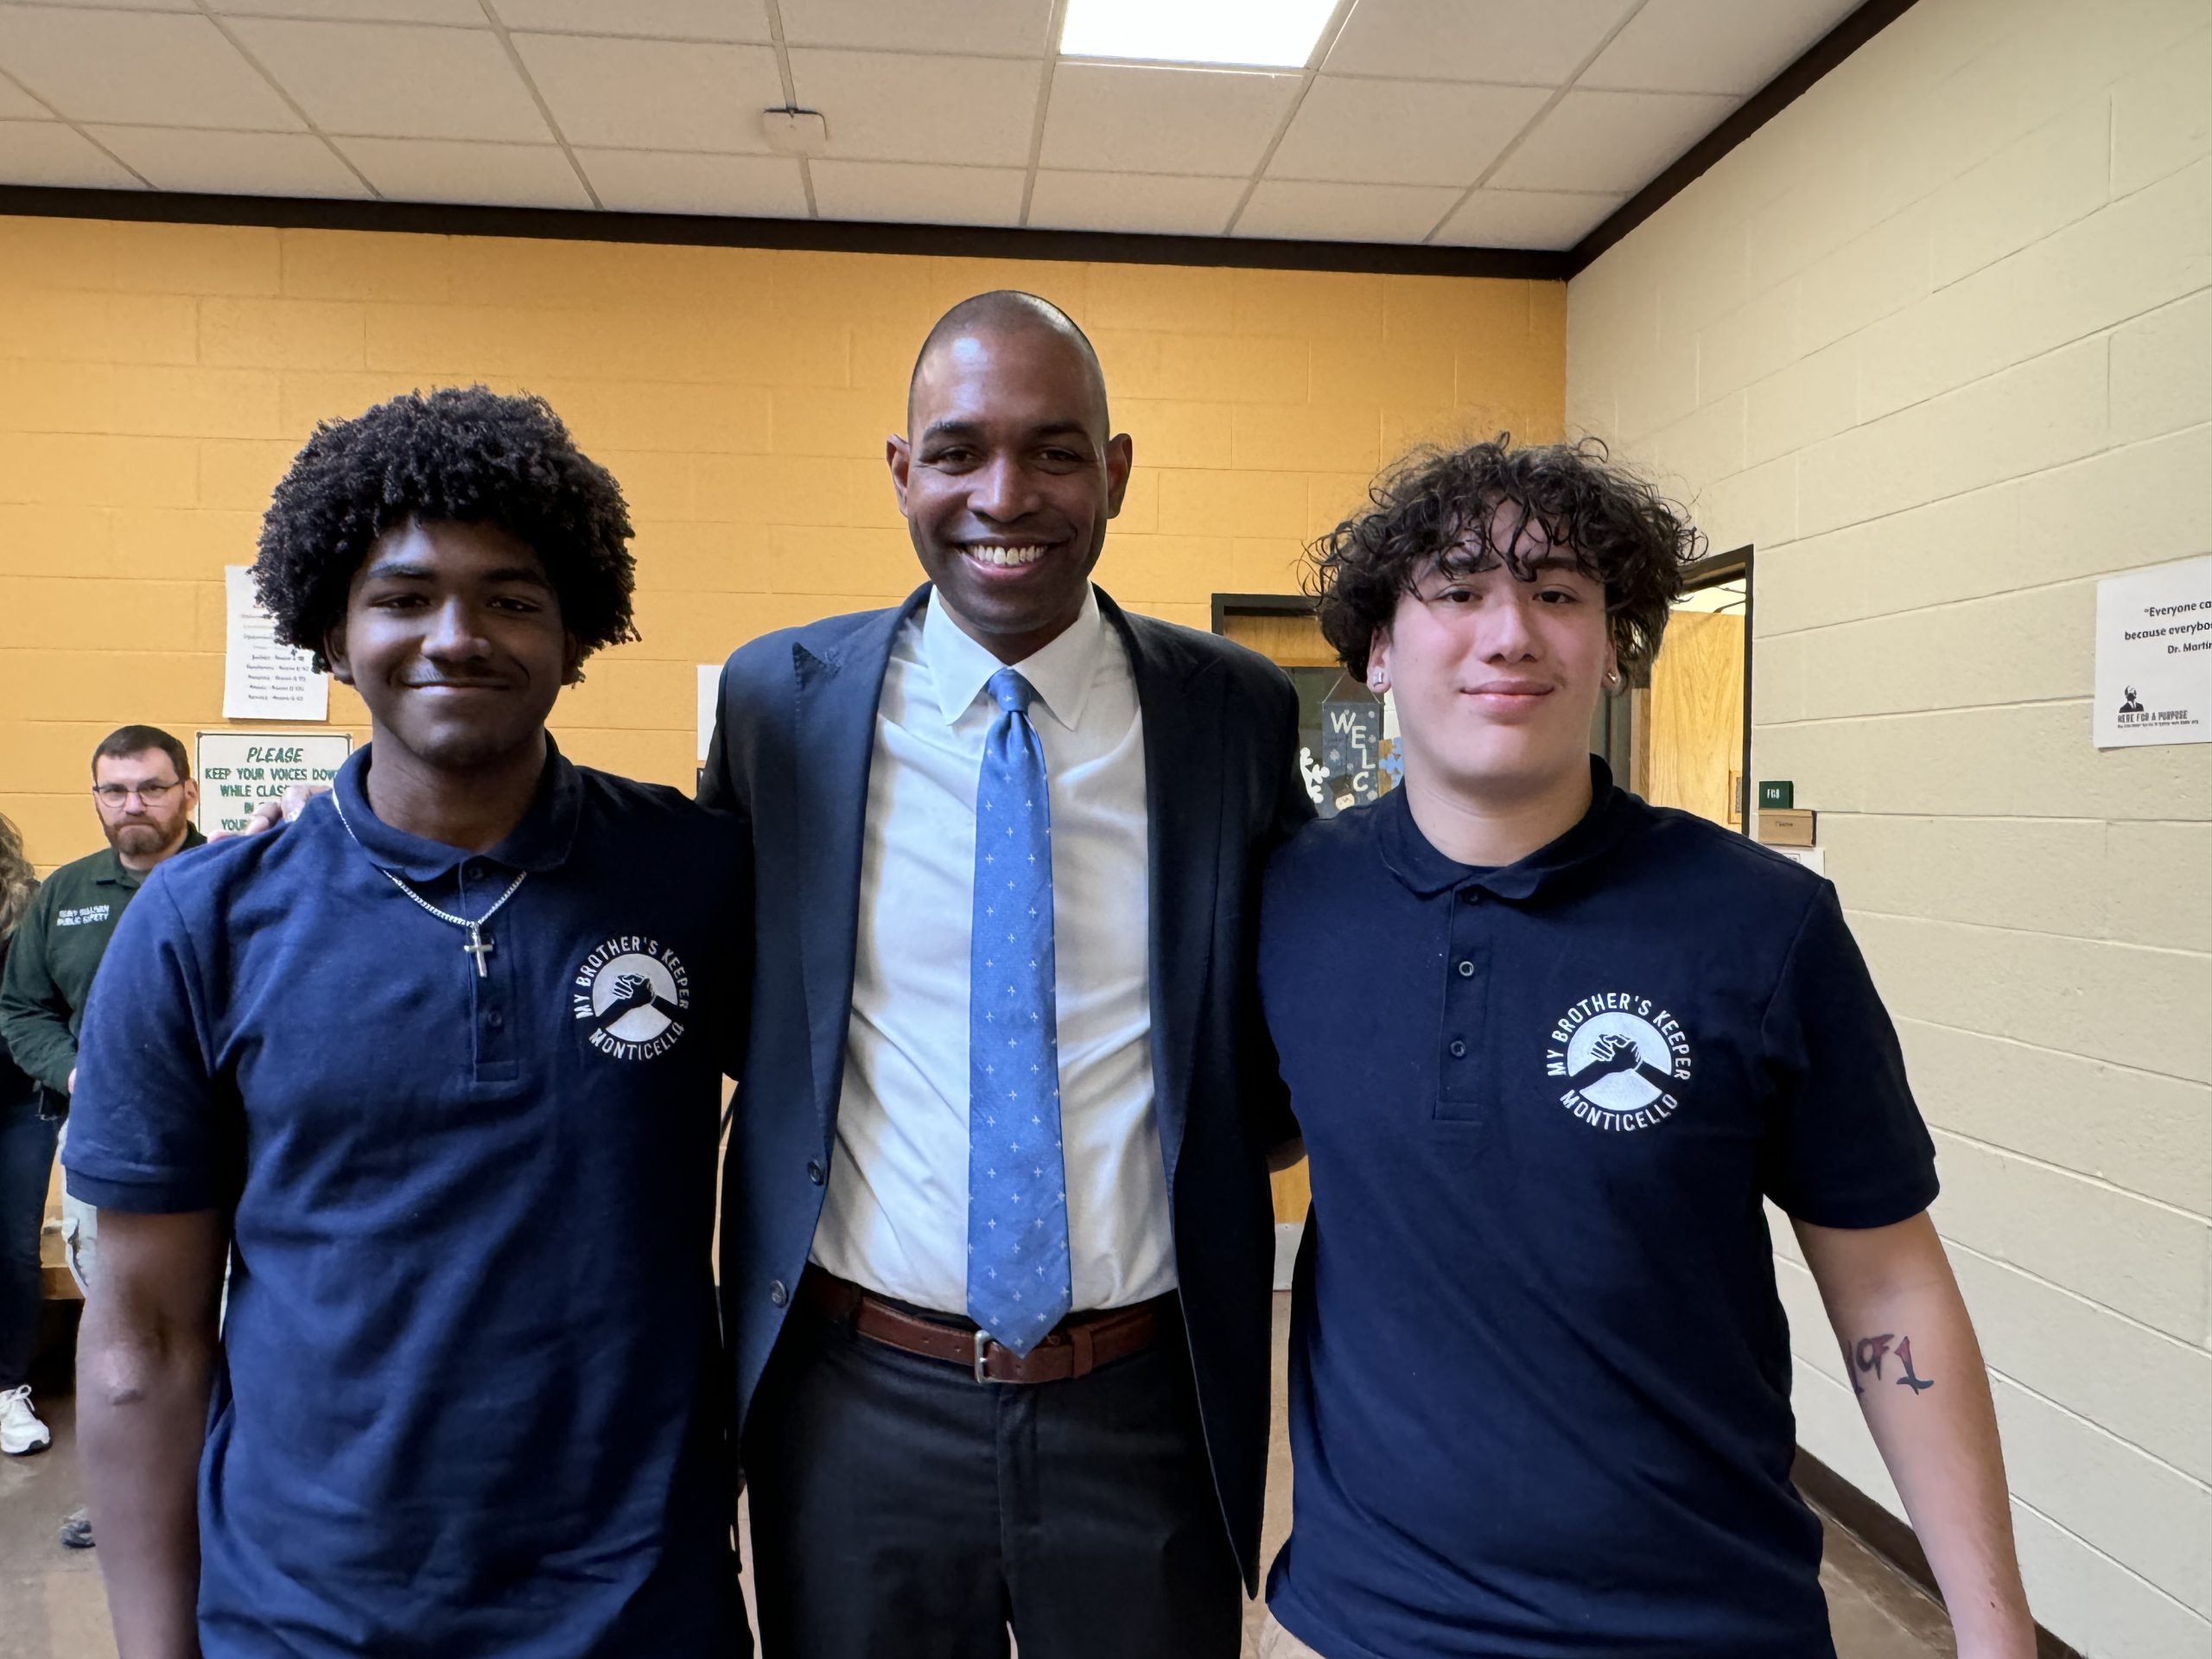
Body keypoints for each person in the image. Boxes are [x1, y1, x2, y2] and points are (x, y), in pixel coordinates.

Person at [1254, 438, 2036, 1658]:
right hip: (1364, 1623)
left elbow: (1888, 1282)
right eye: (1457, 591)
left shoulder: (1759, 925)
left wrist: (1996, 1638)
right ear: (1377, 650)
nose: (1509, 633)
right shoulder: (1287, 905)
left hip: (1701, 1623)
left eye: (1559, 592)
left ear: (1613, 643)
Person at [62, 387, 749, 1659]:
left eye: (511, 597)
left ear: (575, 630)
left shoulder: (697, 876)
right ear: (332, 626)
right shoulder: (203, 926)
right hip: (306, 1614)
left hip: (637, 1610)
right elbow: (144, 1338)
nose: (457, 636)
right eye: (404, 596)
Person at [702, 290, 1310, 1657]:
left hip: (1144, 1400)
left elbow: (1304, 990)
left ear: (1116, 472)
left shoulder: (1231, 715)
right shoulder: (776, 704)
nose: (1005, 494)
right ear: (902, 469)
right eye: (961, 450)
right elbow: (716, 964)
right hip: (857, 1397)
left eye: (1053, 450)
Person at [1, 723, 207, 1545]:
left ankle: (228, 1493)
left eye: (152, 787)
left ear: (186, 791)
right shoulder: (65, 894)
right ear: (93, 797)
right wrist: (73, 1072)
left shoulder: (229, 874)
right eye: (115, 790)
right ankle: (130, 1496)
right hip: (109, 1151)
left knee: (230, 1324)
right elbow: (23, 1009)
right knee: (128, 1338)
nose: (133, 805)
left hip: (229, 1150)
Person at [0, 811, 52, 1459]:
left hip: (18, 1101)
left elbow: (39, 1005)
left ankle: (8, 1388)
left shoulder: (29, 908)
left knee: (12, 1250)